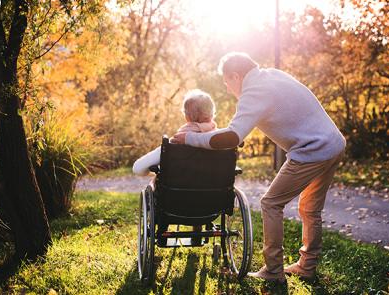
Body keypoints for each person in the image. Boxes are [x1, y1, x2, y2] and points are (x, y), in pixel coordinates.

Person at [171, 52, 346, 283]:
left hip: (312, 151)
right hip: (334, 143)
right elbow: (237, 132)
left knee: (271, 203)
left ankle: (274, 270)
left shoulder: (253, 92)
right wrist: (229, 135)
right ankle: (307, 266)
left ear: (236, 75)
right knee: (310, 208)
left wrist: (189, 139)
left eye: (227, 82)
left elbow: (232, 137)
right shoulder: (272, 76)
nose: (227, 89)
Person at [133, 89, 217, 246]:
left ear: (186, 117)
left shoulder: (173, 144)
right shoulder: (221, 144)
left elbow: (138, 168)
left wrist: (152, 172)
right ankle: (197, 232)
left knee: (158, 184)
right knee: (199, 186)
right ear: (212, 115)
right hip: (211, 205)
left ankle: (162, 232)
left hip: (173, 204)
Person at [133, 89, 217, 176]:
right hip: (218, 189)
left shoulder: (175, 142)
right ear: (212, 113)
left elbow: (137, 168)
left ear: (187, 116)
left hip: (178, 188)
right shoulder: (223, 141)